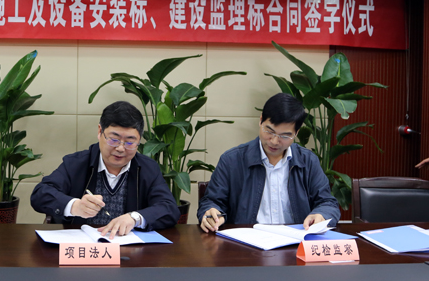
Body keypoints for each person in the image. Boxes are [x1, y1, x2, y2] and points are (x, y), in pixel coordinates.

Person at [31, 101, 180, 238]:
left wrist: (134, 218)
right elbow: (40, 194)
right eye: (114, 139)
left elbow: (169, 208)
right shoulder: (76, 163)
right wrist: (74, 206)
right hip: (81, 248)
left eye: (130, 142)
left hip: (129, 250)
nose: (120, 148)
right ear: (99, 131)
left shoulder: (148, 168)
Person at [197, 93, 340, 233]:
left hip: (295, 241)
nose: (274, 141)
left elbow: (328, 203)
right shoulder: (232, 160)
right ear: (260, 121)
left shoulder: (308, 161)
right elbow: (211, 201)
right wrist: (211, 212)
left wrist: (321, 214)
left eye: (285, 136)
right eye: (269, 131)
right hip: (246, 242)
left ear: (296, 133)